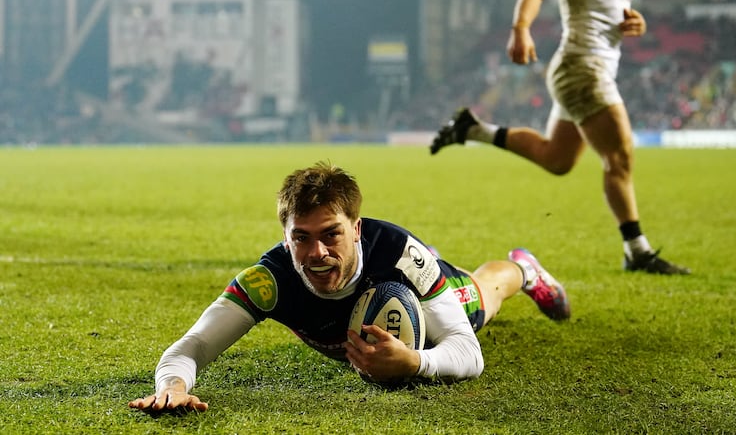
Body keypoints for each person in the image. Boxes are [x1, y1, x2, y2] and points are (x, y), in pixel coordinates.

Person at [128, 161, 570, 413]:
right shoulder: (269, 280)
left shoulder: (398, 253)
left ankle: (524, 270)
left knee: (480, 297)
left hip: (407, 274)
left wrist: (413, 362)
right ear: (286, 237)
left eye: (331, 234)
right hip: (384, 285)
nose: (317, 252)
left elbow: (468, 354)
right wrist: (174, 386)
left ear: (356, 229)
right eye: (301, 237)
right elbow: (192, 346)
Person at [430, 0, 689, 275]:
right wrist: (520, 28)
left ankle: (472, 129)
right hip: (582, 68)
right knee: (619, 157)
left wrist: (632, 23)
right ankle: (637, 250)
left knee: (557, 158)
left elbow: (607, 13)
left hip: (594, 65)